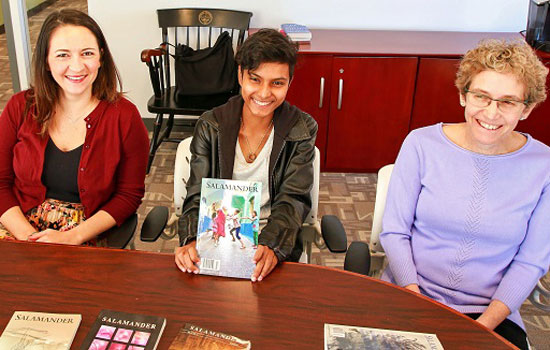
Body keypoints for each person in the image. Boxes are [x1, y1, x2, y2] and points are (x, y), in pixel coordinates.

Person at [379, 39, 550, 350]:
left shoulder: (544, 166)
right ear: (463, 95)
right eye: (481, 96)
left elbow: (531, 262)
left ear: (527, 109)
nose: (491, 113)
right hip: (408, 294)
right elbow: (394, 231)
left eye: (508, 102)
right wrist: (414, 299)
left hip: (490, 313)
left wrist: (478, 329)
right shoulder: (421, 144)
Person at [174, 29, 318, 282]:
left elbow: (292, 200)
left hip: (273, 243)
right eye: (255, 79)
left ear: (289, 83)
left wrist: (270, 246)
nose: (264, 94)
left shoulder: (301, 128)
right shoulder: (211, 125)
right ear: (240, 75)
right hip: (217, 239)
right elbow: (197, 195)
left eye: (277, 83)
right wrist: (192, 239)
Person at [0, 9, 148, 245]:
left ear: (100, 57)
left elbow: (128, 195)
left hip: (84, 233)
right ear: (47, 61)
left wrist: (72, 237)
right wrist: (29, 239)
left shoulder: (125, 117)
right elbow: (1, 183)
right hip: (19, 227)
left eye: (87, 53)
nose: (77, 66)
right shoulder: (20, 107)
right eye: (62, 55)